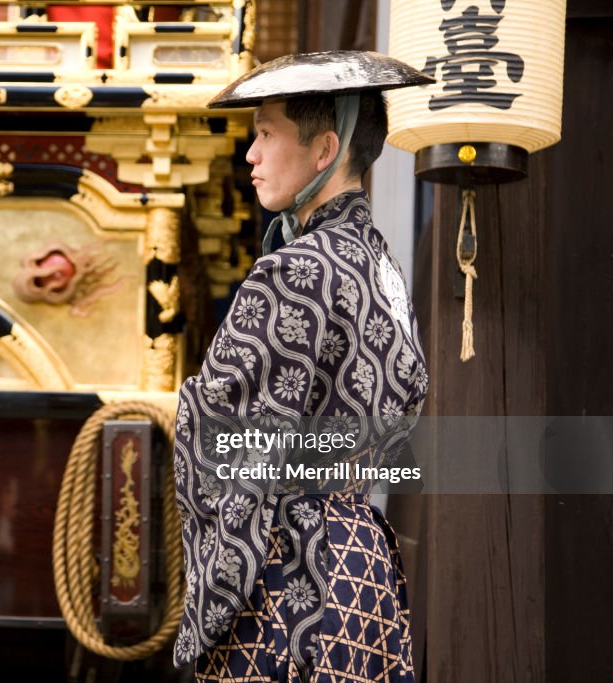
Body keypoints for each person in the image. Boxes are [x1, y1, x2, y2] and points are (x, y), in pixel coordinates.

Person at [171, 51, 432, 682]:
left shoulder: (295, 270)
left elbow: (226, 441)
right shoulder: (383, 272)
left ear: (325, 150)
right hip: (364, 570)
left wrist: (191, 405)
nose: (250, 156)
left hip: (287, 582)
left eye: (264, 133)